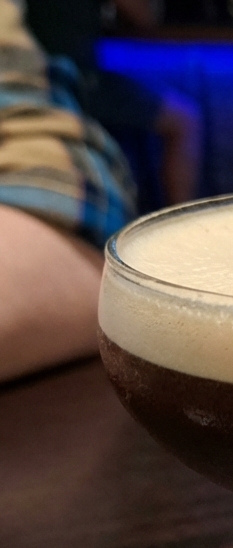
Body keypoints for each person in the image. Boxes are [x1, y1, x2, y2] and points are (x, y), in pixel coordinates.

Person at [1, 0, 135, 383]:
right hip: (90, 83)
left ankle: (168, 226)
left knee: (183, 120)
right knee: (184, 120)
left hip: (81, 87)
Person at [25, 0, 202, 205]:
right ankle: (178, 222)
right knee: (186, 119)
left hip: (36, 82)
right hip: (70, 86)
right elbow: (145, 16)